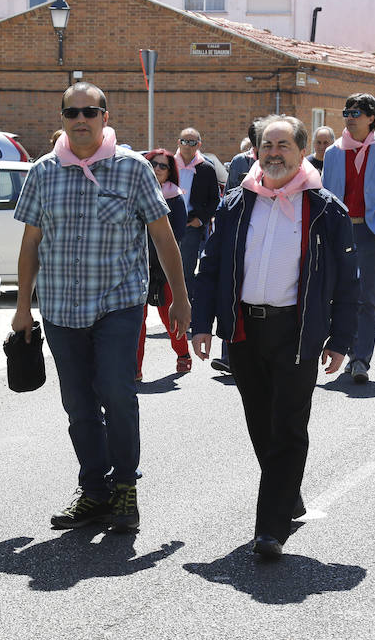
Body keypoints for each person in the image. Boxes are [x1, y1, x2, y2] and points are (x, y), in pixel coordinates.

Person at [12, 82, 190, 533]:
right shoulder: (43, 171)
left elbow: (163, 236)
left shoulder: (132, 170)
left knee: (116, 392)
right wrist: (21, 308)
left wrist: (181, 297)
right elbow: (31, 242)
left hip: (118, 303)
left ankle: (125, 486)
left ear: (105, 117)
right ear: (62, 119)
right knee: (78, 405)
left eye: (89, 112)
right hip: (59, 310)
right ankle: (93, 491)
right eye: (71, 113)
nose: (80, 120)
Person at [191, 115, 358, 559]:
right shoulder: (235, 204)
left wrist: (341, 339)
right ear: (255, 152)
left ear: (302, 151)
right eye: (267, 145)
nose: (274, 153)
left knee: (287, 425)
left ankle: (270, 528)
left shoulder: (324, 208)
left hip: (297, 331)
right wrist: (202, 324)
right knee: (260, 422)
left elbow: (347, 282)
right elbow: (210, 268)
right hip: (244, 328)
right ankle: (288, 493)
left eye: (284, 145)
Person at [322, 93, 375, 384]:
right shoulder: (333, 152)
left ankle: (361, 359)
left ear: (371, 117)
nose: (349, 117)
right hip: (340, 231)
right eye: (346, 112)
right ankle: (347, 349)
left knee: (367, 297)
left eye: (356, 112)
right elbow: (324, 195)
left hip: (371, 231)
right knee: (341, 294)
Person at [210, 118, 263, 374]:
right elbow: (230, 195)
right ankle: (228, 355)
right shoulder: (241, 162)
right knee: (231, 289)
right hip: (241, 232)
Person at [136, 149, 189, 380]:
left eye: (163, 166)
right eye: (153, 165)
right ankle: (134, 369)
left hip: (162, 267)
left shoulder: (174, 196)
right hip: (137, 266)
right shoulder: (135, 192)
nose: (157, 169)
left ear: (170, 172)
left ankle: (183, 354)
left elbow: (175, 234)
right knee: (137, 321)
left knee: (170, 318)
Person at [174, 127, 220, 301]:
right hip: (167, 225)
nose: (187, 145)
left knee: (186, 270)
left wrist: (200, 220)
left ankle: (186, 311)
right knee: (162, 268)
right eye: (184, 141)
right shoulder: (167, 164)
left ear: (198, 145)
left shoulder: (206, 168)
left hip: (190, 227)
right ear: (178, 142)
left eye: (192, 142)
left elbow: (215, 200)